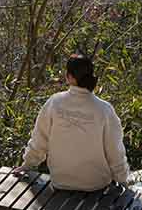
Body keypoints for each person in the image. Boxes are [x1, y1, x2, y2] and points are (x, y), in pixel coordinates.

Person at [14, 53, 130, 191]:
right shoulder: (104, 109)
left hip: (60, 182)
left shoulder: (54, 102)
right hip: (96, 185)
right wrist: (123, 180)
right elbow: (115, 151)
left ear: (69, 76)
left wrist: (27, 164)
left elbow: (39, 140)